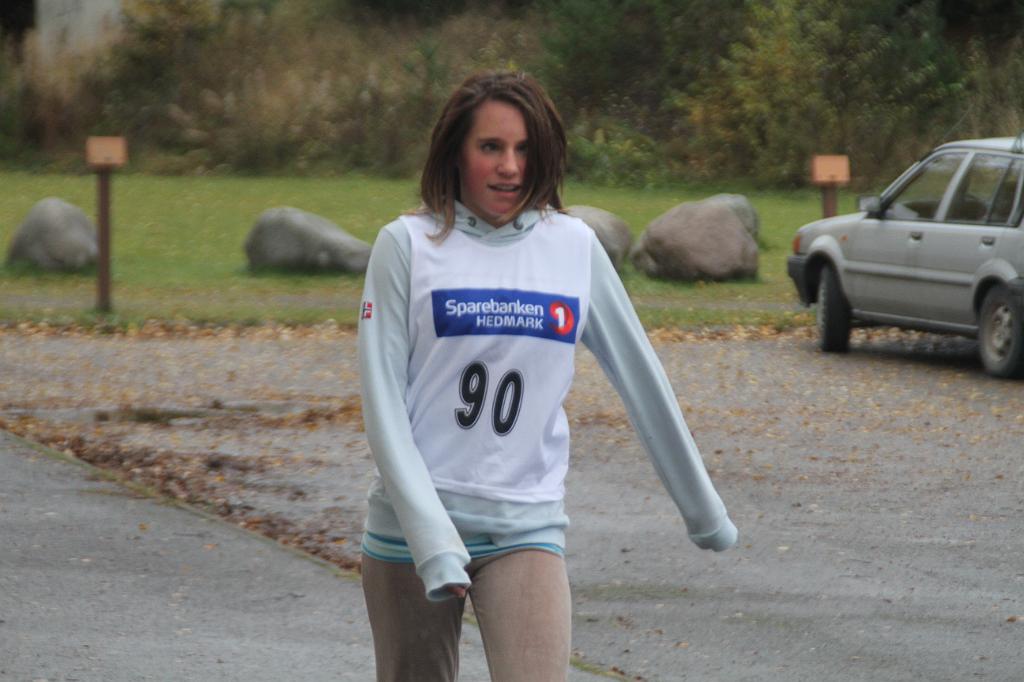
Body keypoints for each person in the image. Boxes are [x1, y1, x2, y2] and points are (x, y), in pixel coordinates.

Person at [356, 71, 738, 682]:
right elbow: (383, 406)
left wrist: (703, 510)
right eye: (491, 147)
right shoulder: (406, 246)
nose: (510, 167)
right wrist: (431, 538)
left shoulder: (574, 248)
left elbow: (642, 378)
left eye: (525, 149)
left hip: (526, 529)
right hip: (408, 535)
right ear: (456, 151)